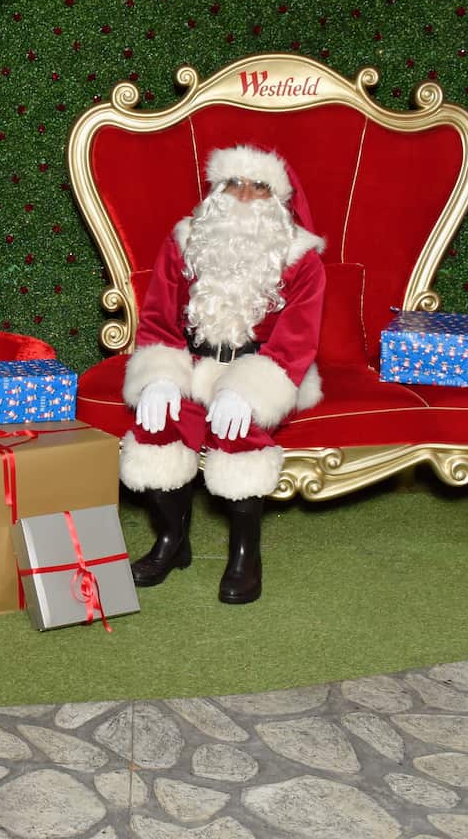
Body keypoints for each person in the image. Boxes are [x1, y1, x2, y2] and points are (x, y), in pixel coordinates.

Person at [119, 145, 325, 604]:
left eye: (259, 186)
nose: (245, 196)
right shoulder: (185, 241)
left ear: (279, 199)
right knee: (154, 428)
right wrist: (160, 375)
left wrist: (250, 391)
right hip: (191, 364)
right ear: (216, 190)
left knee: (240, 435)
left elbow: (297, 341)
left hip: (262, 366)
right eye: (234, 184)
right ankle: (173, 541)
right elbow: (157, 318)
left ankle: (245, 554)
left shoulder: (302, 261)